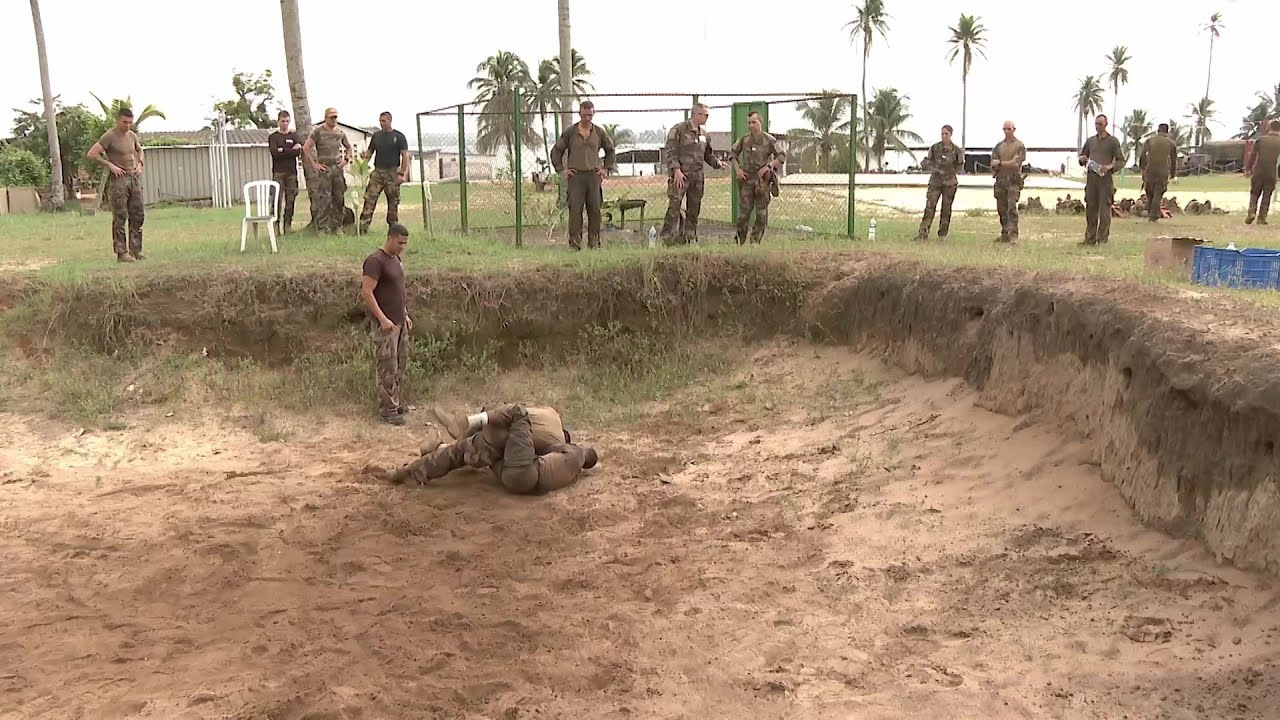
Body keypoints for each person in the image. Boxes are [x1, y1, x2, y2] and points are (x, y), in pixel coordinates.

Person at [385, 404, 598, 494]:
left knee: (515, 412)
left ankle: (468, 424)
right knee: (484, 452)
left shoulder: (569, 446)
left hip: (521, 469)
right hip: (518, 479)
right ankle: (441, 447)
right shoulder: (569, 462)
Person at [361, 224, 413, 425]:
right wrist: (383, 320)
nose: (402, 247)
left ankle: (395, 403)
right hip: (386, 325)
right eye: (400, 243)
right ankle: (387, 410)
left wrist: (405, 314)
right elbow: (367, 292)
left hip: (399, 322)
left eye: (405, 243)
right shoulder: (375, 261)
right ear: (390, 238)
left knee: (399, 365)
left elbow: (398, 291)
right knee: (386, 367)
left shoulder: (396, 260)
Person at [550, 100, 616, 250]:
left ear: (593, 114)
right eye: (584, 115)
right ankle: (575, 245)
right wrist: (561, 169)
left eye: (590, 115)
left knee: (595, 211)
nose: (587, 118)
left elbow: (610, 150)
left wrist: (606, 168)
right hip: (576, 177)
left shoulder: (599, 132)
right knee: (575, 212)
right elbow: (557, 150)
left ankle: (594, 244)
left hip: (593, 177)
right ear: (579, 113)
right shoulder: (570, 132)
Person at [660, 103, 727, 245]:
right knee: (674, 207)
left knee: (694, 208)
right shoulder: (678, 130)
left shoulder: (704, 135)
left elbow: (708, 155)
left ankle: (689, 237)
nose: (707, 118)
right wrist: (676, 170)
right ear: (697, 114)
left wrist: (717, 163)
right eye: (705, 115)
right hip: (680, 176)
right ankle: (667, 238)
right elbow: (670, 152)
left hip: (697, 177)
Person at [86, 108, 145, 263]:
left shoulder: (132, 136)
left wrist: (140, 163)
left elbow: (140, 150)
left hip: (133, 177)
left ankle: (136, 250)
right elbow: (91, 153)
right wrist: (109, 165)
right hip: (119, 179)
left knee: (138, 214)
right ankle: (122, 252)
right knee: (120, 216)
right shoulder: (109, 136)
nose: (127, 125)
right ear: (118, 120)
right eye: (125, 122)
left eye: (130, 122)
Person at [729, 111, 786, 244]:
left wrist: (769, 166)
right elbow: (732, 154)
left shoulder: (769, 140)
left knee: (761, 214)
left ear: (760, 122)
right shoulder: (744, 140)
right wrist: (738, 170)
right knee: (743, 215)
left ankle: (755, 241)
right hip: (747, 180)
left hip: (762, 182)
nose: (751, 125)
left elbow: (782, 156)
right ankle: (740, 240)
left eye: (754, 122)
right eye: (749, 123)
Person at [358, 111, 410, 234]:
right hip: (378, 172)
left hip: (392, 172)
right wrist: (365, 155)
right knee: (369, 199)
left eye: (384, 121)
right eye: (380, 121)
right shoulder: (377, 136)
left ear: (390, 121)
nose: (381, 123)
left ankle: (393, 229)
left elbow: (405, 155)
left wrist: (402, 173)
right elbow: (370, 151)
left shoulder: (399, 136)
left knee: (393, 202)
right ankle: (363, 227)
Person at [1077, 114, 1126, 244]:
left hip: (1105, 179)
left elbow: (1121, 161)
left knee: (1104, 209)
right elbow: (1083, 156)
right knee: (1091, 208)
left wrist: (1110, 167)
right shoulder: (1090, 141)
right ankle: (1090, 237)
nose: (1098, 127)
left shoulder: (1113, 142)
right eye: (1096, 124)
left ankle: (1102, 238)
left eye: (1100, 124)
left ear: (1106, 125)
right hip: (1092, 178)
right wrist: (1082, 159)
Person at [303, 107, 353, 234]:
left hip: (337, 169)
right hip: (324, 169)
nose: (334, 120)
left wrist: (346, 159)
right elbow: (306, 147)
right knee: (324, 199)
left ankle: (338, 226)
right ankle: (322, 228)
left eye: (335, 117)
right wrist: (314, 164)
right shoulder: (318, 132)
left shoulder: (340, 132)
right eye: (331, 117)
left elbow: (349, 147)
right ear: (326, 118)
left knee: (339, 198)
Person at [916, 124, 964, 241]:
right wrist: (935, 169)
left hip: (949, 184)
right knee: (930, 207)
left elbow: (960, 166)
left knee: (946, 209)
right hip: (935, 182)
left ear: (951, 135)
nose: (944, 136)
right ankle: (923, 233)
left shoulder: (956, 150)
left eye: (946, 134)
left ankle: (942, 235)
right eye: (942, 133)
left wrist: (949, 172)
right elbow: (928, 162)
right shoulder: (935, 148)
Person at [268, 110, 304, 235]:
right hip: (278, 173)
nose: (285, 123)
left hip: (291, 173)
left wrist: (283, 150)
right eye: (283, 121)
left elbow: (298, 152)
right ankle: (276, 226)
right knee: (276, 200)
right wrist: (290, 150)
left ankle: (287, 225)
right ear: (278, 121)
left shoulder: (294, 136)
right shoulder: (273, 137)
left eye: (287, 121)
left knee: (291, 199)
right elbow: (275, 153)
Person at [990, 120, 1026, 244]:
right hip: (1000, 181)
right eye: (1004, 129)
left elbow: (1015, 163)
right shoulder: (999, 146)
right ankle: (1005, 234)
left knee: (1011, 208)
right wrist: (1002, 164)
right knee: (1001, 209)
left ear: (1014, 129)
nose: (1006, 131)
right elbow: (993, 163)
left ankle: (1013, 236)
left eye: (1009, 129)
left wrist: (1001, 163)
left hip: (1013, 181)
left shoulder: (1019, 145)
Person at [1139, 123, 1178, 222]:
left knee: (1149, 192)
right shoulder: (1171, 143)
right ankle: (1153, 215)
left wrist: (1142, 168)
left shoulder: (1150, 141)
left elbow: (1142, 155)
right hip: (1162, 171)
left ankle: (1152, 213)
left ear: (1158, 130)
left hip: (1150, 170)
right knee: (1158, 193)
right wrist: (1173, 173)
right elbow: (1174, 159)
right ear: (1167, 132)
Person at [1246, 119, 1280, 225]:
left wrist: (1248, 169)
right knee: (1267, 195)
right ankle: (1262, 218)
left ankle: (1251, 212)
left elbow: (1252, 155)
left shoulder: (1260, 140)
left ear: (1269, 127)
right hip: (1272, 172)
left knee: (1254, 193)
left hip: (1258, 170)